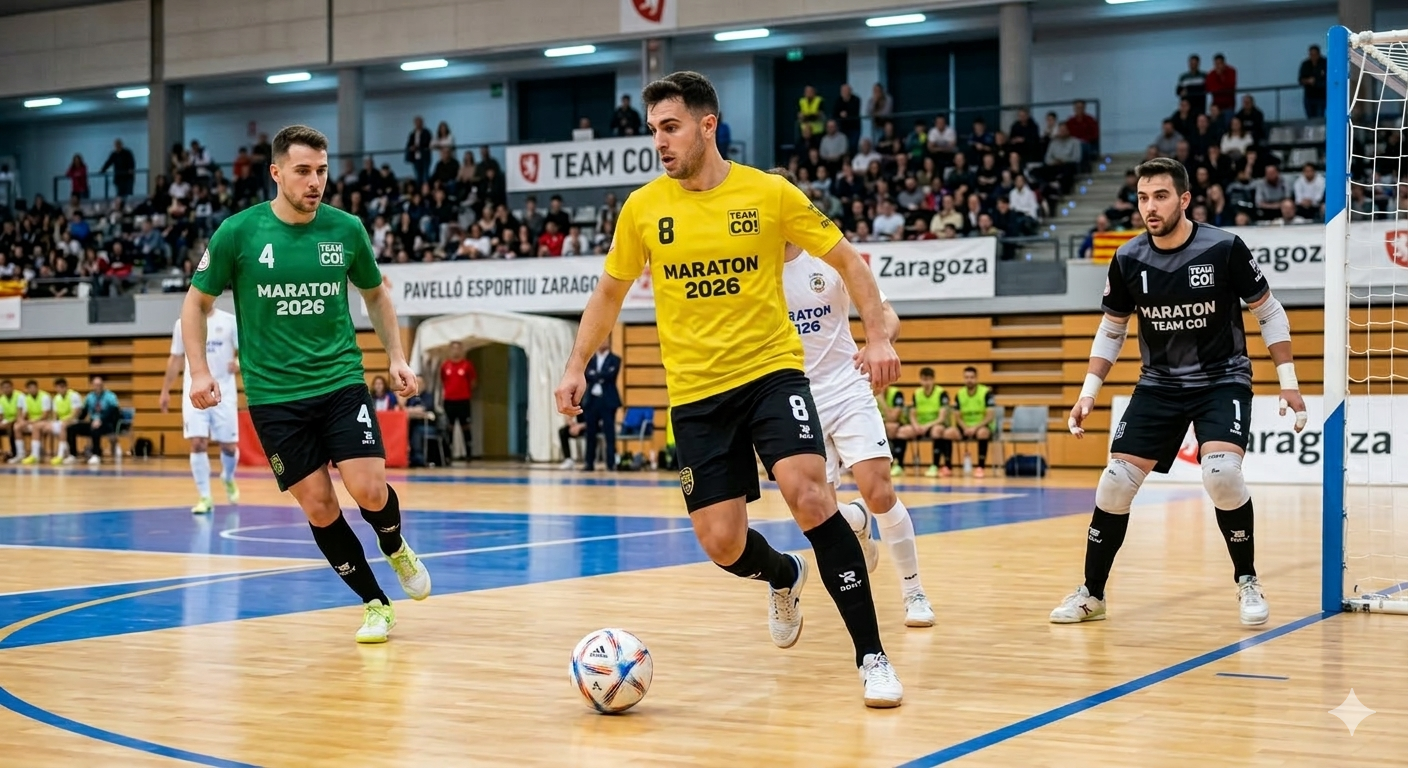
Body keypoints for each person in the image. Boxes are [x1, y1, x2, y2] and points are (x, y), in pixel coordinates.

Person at [555, 71, 904, 707]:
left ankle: (872, 656)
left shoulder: (768, 194)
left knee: (809, 495)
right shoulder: (643, 209)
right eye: (654, 129)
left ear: (706, 125)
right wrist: (577, 363)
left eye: (671, 127)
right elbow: (608, 293)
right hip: (695, 398)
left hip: (771, 375)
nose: (659, 141)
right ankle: (784, 573)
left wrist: (878, 336)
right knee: (723, 543)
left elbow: (850, 260)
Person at [182, 124, 430, 644]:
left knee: (368, 487)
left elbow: (377, 296)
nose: (315, 181)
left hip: (340, 380)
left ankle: (395, 544)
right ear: (276, 173)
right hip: (275, 398)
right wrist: (200, 370)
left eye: (321, 171)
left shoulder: (346, 230)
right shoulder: (238, 233)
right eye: (303, 171)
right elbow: (196, 302)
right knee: (319, 505)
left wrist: (398, 357)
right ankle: (375, 603)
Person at [1058, 157, 1308, 627]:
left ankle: (1247, 580)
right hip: (1159, 385)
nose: (1150, 207)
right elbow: (1112, 329)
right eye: (1142, 198)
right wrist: (1089, 391)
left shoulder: (1224, 247)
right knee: (1113, 485)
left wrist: (1289, 382)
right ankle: (1092, 594)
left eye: (1161, 196)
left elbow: (1269, 312)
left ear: (1185, 199)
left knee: (1221, 477)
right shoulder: (1129, 257)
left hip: (1222, 380)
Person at [778, 228, 935, 628]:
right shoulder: (755, 269)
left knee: (879, 490)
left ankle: (914, 591)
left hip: (847, 385)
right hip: (795, 397)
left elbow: (887, 316)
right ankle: (858, 522)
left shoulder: (829, 255)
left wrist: (880, 343)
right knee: (822, 512)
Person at [160, 304, 241, 514]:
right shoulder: (183, 323)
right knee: (197, 443)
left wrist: (239, 362)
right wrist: (165, 390)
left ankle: (228, 477)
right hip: (194, 391)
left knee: (229, 447)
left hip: (224, 393)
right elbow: (176, 357)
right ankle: (205, 497)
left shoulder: (229, 321)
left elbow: (247, 348)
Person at [944, 366, 996, 478]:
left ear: (976, 378)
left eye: (972, 377)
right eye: (966, 377)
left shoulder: (986, 393)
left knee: (983, 433)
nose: (969, 380)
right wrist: (965, 428)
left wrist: (975, 428)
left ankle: (980, 467)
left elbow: (990, 415)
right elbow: (957, 416)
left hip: (982, 426)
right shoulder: (960, 394)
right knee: (948, 433)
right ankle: (948, 467)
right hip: (965, 427)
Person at [582, 337, 621, 471]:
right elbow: (587, 375)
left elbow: (610, 375)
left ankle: (611, 463)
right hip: (592, 400)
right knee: (590, 433)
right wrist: (600, 376)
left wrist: (596, 375)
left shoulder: (615, 359)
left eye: (605, 340)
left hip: (608, 401)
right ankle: (589, 463)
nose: (602, 342)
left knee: (609, 433)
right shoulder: (590, 360)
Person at [438, 341, 475, 462]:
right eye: (453, 349)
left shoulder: (467, 365)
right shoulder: (445, 366)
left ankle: (468, 454)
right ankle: (448, 455)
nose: (455, 351)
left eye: (458, 348)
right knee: (449, 428)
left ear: (461, 350)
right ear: (450, 350)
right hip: (449, 401)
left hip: (463, 401)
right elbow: (443, 380)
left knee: (466, 428)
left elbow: (473, 382)